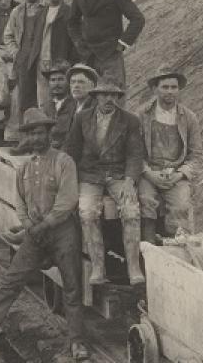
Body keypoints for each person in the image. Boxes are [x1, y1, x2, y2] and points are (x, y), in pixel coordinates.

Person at [0, 108, 89, 361]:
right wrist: (28, 224)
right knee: (10, 281)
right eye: (31, 133)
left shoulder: (63, 162)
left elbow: (67, 200)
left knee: (71, 287)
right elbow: (21, 204)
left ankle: (77, 343)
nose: (36, 138)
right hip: (36, 233)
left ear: (49, 133)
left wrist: (43, 224)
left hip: (62, 232)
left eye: (40, 132)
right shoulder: (24, 168)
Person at [64, 78, 145, 285]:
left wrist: (130, 181)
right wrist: (68, 180)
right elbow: (71, 151)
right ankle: (98, 267)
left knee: (131, 211)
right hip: (90, 175)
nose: (109, 99)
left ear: (118, 97)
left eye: (114, 95)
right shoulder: (82, 118)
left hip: (118, 174)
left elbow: (135, 154)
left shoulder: (130, 120)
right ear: (96, 96)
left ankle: (133, 268)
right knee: (88, 212)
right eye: (105, 94)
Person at [137, 66, 203, 242]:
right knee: (146, 200)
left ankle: (180, 247)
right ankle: (148, 249)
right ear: (155, 89)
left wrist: (180, 174)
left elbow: (196, 155)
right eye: (165, 87)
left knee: (181, 204)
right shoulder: (142, 115)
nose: (170, 91)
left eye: (174, 87)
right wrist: (149, 173)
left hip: (175, 173)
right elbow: (134, 152)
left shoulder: (189, 118)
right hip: (149, 172)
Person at [67, 0, 145, 91]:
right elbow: (72, 22)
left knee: (112, 94)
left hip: (111, 55)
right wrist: (79, 43)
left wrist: (122, 43)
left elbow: (137, 18)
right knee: (89, 97)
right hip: (88, 56)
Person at [3, 0, 47, 116]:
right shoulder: (18, 11)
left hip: (42, 57)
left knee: (43, 94)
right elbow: (8, 35)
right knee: (24, 95)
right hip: (23, 59)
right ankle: (26, 130)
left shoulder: (47, 9)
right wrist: (16, 52)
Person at [38, 0, 76, 107]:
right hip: (42, 60)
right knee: (43, 98)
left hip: (61, 60)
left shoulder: (70, 12)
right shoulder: (41, 12)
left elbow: (76, 40)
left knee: (64, 97)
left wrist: (69, 60)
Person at [39, 60, 71, 149]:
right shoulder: (46, 106)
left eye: (61, 79)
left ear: (69, 82)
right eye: (53, 80)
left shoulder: (75, 105)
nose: (56, 84)